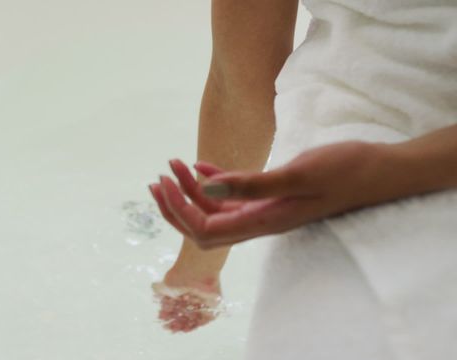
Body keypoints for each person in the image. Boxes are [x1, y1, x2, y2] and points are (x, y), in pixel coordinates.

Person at [148, 0, 457, 358]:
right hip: (339, 140)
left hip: (340, 158)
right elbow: (240, 85)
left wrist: (387, 170)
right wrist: (203, 254)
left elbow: (239, 86)